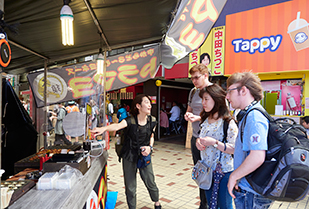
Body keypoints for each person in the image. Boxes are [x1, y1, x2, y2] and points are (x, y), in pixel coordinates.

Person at [91, 94, 161, 209]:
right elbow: (117, 126)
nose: (150, 105)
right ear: (138, 106)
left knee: (150, 181)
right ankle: (132, 207)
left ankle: (157, 202)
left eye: (150, 103)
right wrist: (103, 129)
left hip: (144, 155)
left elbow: (151, 136)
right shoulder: (130, 121)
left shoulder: (152, 121)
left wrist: (150, 147)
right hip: (129, 155)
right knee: (130, 186)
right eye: (146, 102)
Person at [225, 72, 273, 208]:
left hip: (251, 192)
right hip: (250, 189)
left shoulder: (254, 117)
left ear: (244, 90)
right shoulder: (250, 114)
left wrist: (233, 176)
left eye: (229, 91)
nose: (227, 97)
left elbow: (257, 156)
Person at [196, 84, 238, 209]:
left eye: (206, 99)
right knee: (211, 204)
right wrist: (198, 142)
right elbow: (201, 137)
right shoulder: (204, 118)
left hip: (224, 172)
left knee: (225, 205)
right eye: (202, 99)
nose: (203, 102)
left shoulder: (227, 122)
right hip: (207, 171)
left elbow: (235, 148)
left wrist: (214, 143)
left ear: (217, 99)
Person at [184, 63, 212, 209]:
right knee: (200, 172)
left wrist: (198, 118)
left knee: (211, 173)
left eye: (196, 78)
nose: (194, 81)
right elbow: (190, 109)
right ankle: (203, 204)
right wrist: (188, 115)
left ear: (205, 75)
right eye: (192, 78)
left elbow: (219, 116)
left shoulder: (214, 91)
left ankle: (211, 203)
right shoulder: (193, 92)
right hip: (196, 137)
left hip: (210, 140)